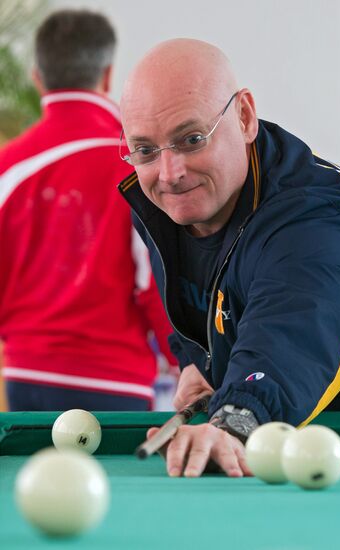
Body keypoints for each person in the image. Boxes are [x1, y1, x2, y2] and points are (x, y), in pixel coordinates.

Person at [118, 38, 340, 477]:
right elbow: (207, 296)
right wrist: (201, 364)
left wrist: (236, 417)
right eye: (145, 150)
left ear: (245, 117)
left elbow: (296, 327)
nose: (169, 173)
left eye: (191, 139)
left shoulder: (317, 224)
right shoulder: (180, 203)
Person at [0, 10, 177, 412]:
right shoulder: (135, 165)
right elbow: (157, 278)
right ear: (108, 74)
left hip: (28, 377)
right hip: (117, 382)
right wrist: (181, 361)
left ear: (37, 78)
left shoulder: (7, 168)